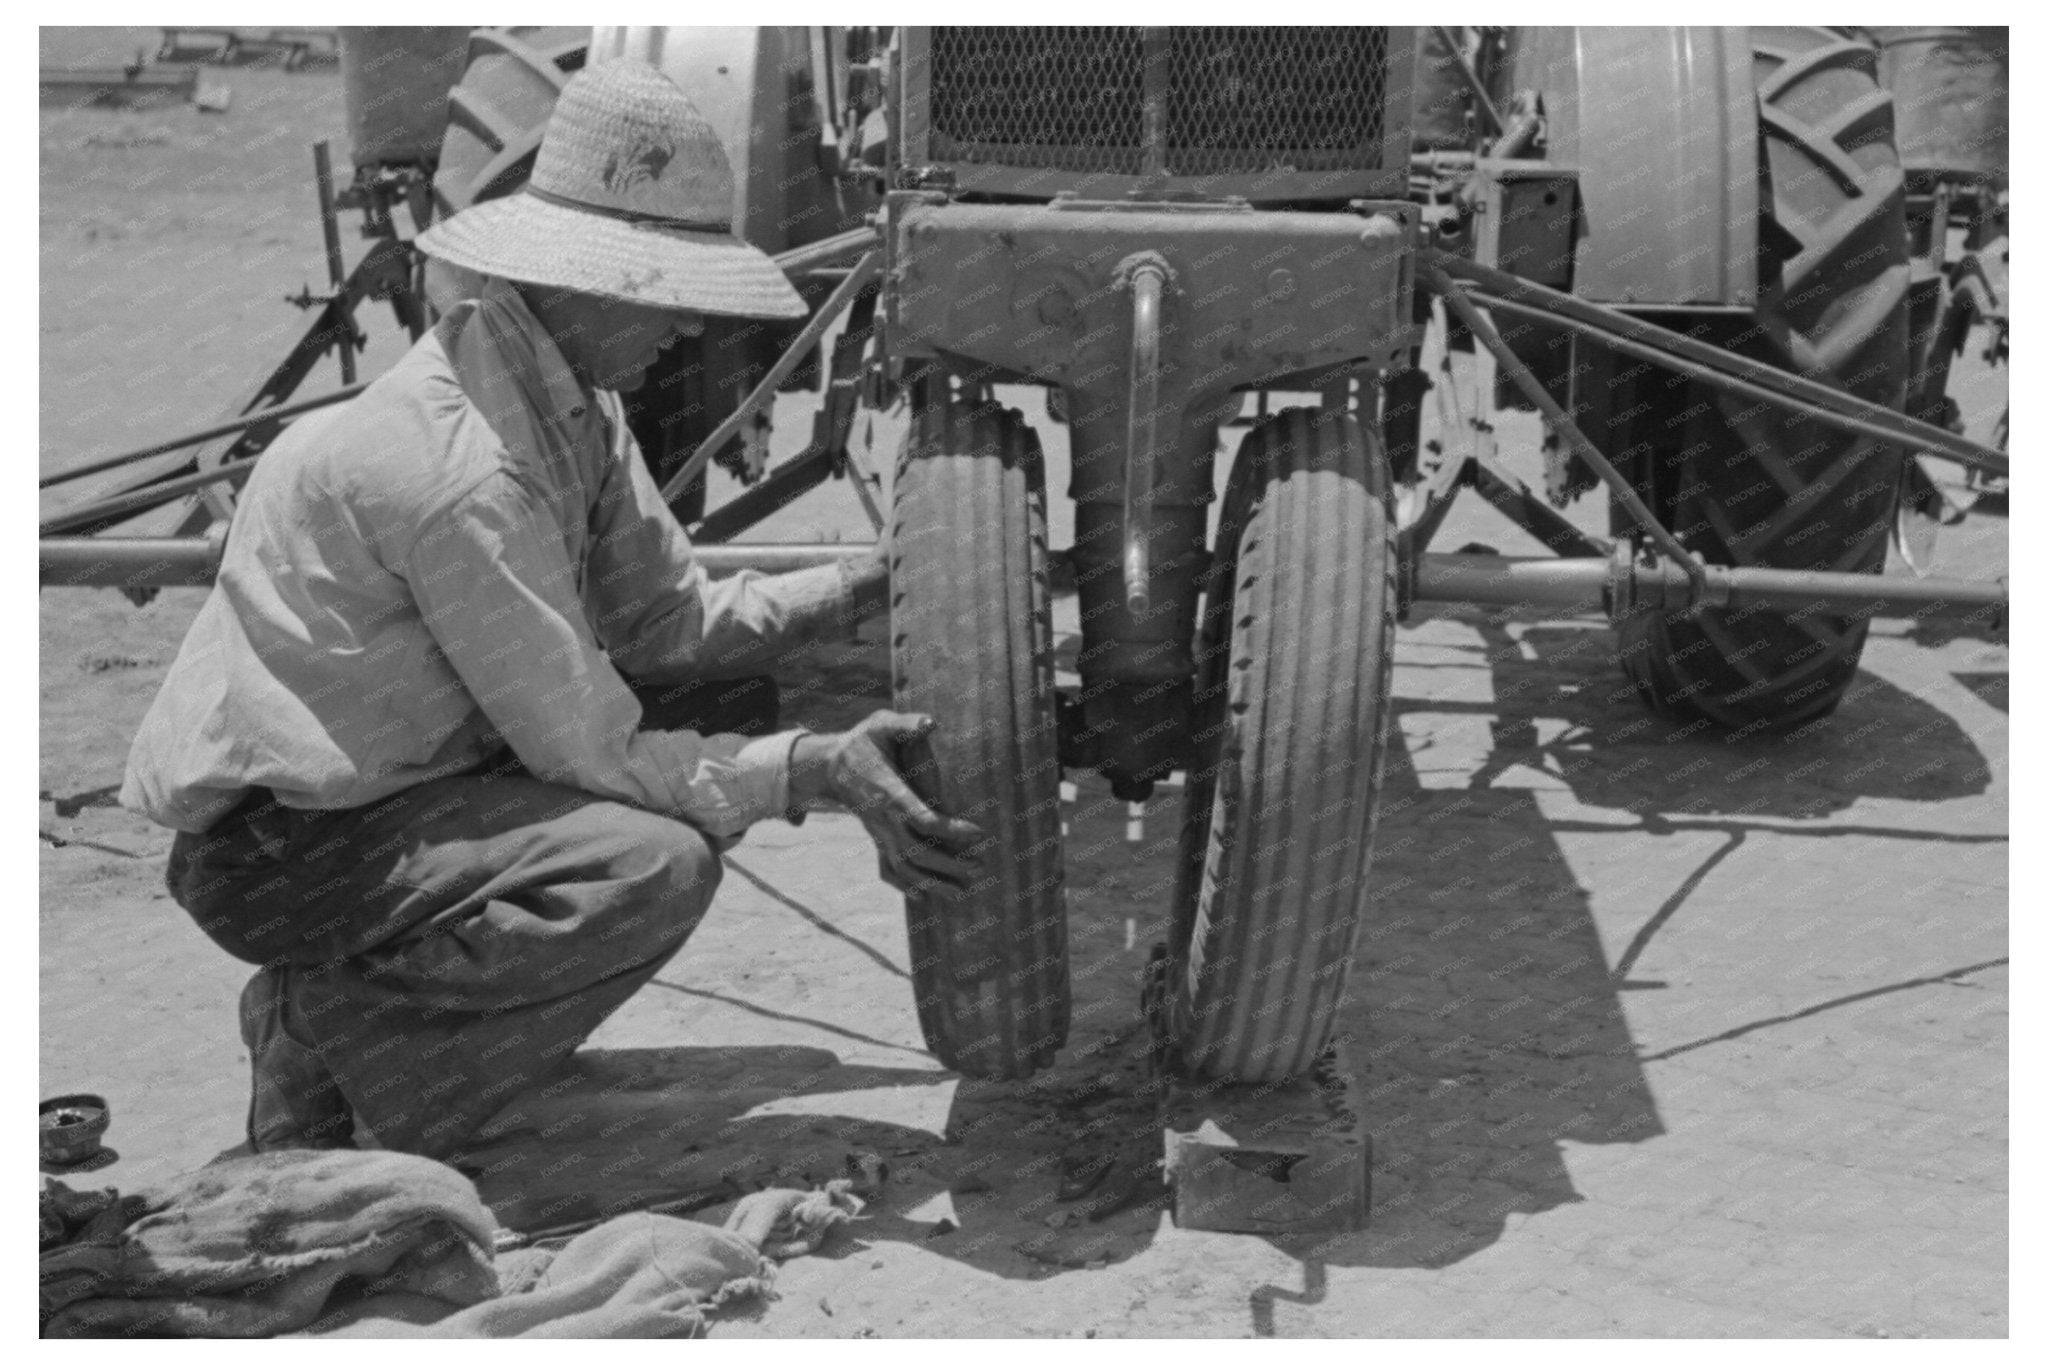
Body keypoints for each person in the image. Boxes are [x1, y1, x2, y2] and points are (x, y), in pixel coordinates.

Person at [119, 59, 983, 1160]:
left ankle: (401, 1057)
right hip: (281, 850)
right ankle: (334, 1035)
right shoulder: (465, 474)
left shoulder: (574, 406)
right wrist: (811, 768)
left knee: (708, 738)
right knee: (646, 866)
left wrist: (869, 581)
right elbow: (590, 753)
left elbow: (671, 623)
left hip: (398, 793)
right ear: (582, 284)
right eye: (663, 293)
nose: (685, 325)